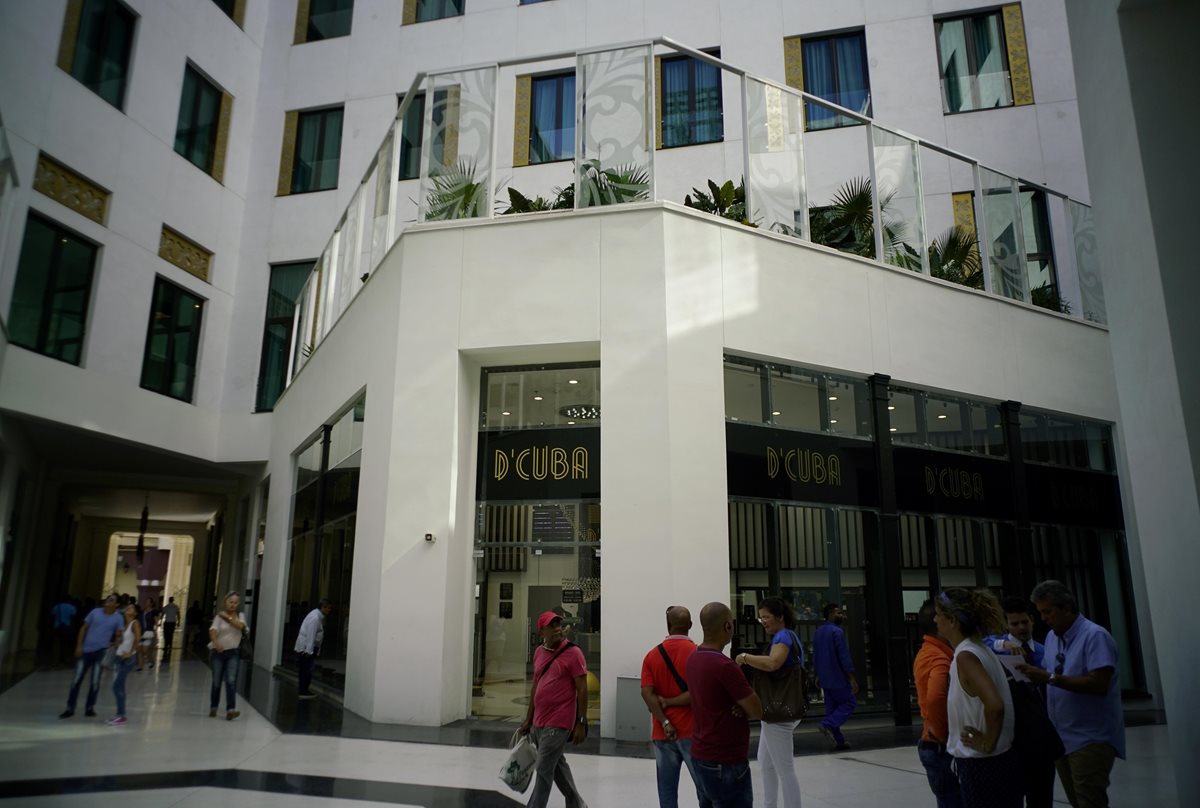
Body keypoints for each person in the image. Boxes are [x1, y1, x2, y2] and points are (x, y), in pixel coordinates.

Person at [1018, 580, 1125, 808]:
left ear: (1067, 608)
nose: (1044, 619)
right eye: (1040, 612)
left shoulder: (1095, 636)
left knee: (1089, 800)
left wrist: (1049, 678)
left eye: (1048, 612)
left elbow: (1099, 684)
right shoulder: (1052, 638)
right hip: (1060, 737)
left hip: (1090, 737)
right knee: (1077, 801)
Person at [934, 588, 1020, 808]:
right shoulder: (980, 649)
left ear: (952, 620)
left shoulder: (966, 656)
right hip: (1000, 761)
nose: (935, 619)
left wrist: (986, 742)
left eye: (938, 614)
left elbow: (995, 705)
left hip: (981, 765)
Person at [686, 602, 763, 808]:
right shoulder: (725, 666)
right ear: (727, 626)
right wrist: (744, 706)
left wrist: (740, 705)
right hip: (725, 759)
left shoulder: (693, 658)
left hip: (700, 754)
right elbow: (756, 710)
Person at [640, 605, 711, 808]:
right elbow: (700, 693)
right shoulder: (698, 654)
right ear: (690, 625)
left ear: (668, 625)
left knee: (667, 790)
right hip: (693, 731)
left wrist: (665, 720)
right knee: (704, 787)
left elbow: (646, 692)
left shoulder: (652, 656)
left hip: (663, 733)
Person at [735, 596, 803, 808]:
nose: (763, 621)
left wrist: (744, 657)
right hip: (777, 712)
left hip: (778, 713)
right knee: (765, 763)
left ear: (780, 617)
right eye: (761, 617)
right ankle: (769, 804)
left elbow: (773, 663)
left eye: (767, 617)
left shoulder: (783, 636)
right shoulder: (788, 635)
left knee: (785, 769)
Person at [988, 597, 1055, 808]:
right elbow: (981, 642)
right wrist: (1003, 643)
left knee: (1042, 795)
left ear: (1032, 621)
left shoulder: (1044, 651)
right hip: (1014, 732)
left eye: (1024, 622)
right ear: (1006, 625)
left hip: (1041, 731)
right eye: (1015, 624)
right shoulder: (997, 647)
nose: (1021, 627)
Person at [518, 611, 589, 808]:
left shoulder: (573, 653)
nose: (558, 628)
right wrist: (528, 719)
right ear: (542, 631)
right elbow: (535, 686)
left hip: (559, 722)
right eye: (552, 625)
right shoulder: (540, 652)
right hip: (540, 721)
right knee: (557, 766)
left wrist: (581, 722)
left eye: (559, 624)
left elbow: (582, 688)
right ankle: (577, 804)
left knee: (543, 770)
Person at [914, 599, 963, 808]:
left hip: (931, 741)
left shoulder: (929, 652)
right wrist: (943, 736)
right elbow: (935, 698)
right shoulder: (939, 658)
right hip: (938, 745)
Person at [60, 594, 125, 718]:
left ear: (116, 605)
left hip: (102, 652)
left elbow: (119, 634)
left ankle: (90, 707)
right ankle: (70, 707)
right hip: (86, 650)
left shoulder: (118, 618)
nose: (108, 601)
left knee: (95, 681)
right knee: (76, 679)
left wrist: (115, 644)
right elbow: (83, 628)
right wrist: (79, 646)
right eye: (107, 598)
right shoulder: (95, 612)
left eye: (111, 600)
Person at [813, 602, 858, 750]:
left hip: (825, 678)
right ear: (831, 614)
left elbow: (816, 655)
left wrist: (818, 675)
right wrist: (851, 677)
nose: (841, 616)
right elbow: (843, 656)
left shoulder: (818, 632)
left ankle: (839, 741)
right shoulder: (837, 632)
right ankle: (826, 724)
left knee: (831, 710)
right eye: (838, 613)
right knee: (849, 703)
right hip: (838, 677)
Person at [208, 591, 247, 721]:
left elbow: (241, 627)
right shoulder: (218, 617)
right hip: (218, 653)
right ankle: (213, 706)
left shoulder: (240, 615)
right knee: (216, 681)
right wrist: (215, 641)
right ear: (225, 602)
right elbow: (213, 630)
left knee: (231, 680)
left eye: (235, 602)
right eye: (231, 602)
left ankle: (231, 709)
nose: (233, 605)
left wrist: (227, 617)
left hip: (233, 652)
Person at [108, 602, 141, 725]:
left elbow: (137, 639)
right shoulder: (124, 625)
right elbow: (120, 642)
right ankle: (120, 714)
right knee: (119, 686)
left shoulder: (134, 623)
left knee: (117, 686)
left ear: (135, 613)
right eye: (127, 607)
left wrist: (131, 652)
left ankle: (121, 715)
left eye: (131, 608)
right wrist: (116, 640)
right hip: (119, 656)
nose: (128, 608)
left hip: (127, 659)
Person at [295, 599, 332, 699]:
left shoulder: (316, 615)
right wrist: (309, 651)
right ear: (323, 607)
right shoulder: (315, 618)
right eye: (328, 608)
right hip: (307, 648)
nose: (329, 610)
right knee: (307, 670)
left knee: (305, 670)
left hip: (306, 647)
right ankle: (303, 691)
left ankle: (303, 690)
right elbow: (311, 635)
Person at [50, 594, 77, 668]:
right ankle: (66, 660)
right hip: (67, 628)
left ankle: (55, 661)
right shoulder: (72, 608)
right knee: (66, 645)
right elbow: (73, 619)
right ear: (69, 600)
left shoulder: (56, 606)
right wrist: (73, 629)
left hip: (57, 627)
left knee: (56, 645)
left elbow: (53, 616)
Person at [137, 599, 158, 671]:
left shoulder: (153, 612)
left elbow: (156, 622)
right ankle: (140, 666)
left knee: (145, 650)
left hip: (149, 632)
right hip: (141, 631)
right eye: (146, 601)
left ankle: (150, 660)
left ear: (152, 603)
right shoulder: (142, 611)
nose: (147, 603)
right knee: (140, 650)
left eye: (148, 601)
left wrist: (155, 630)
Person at [160, 596, 180, 661]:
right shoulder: (175, 607)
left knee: (166, 635)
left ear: (169, 600)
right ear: (173, 600)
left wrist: (160, 621)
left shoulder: (166, 607)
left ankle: (166, 646)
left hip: (167, 622)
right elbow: (178, 614)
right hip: (172, 622)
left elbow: (162, 614)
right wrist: (178, 622)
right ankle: (170, 646)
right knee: (171, 634)